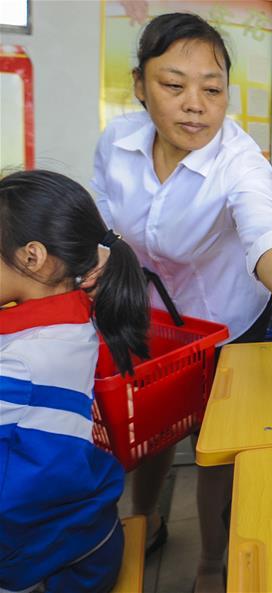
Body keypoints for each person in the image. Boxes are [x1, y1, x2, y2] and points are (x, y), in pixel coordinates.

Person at [91, 13, 272, 592]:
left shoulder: (240, 159)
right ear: (139, 85)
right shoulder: (118, 143)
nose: (195, 105)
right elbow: (105, 219)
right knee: (151, 428)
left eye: (212, 88)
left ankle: (211, 563)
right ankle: (147, 520)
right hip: (150, 320)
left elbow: (266, 230)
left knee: (214, 446)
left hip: (228, 323)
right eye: (173, 85)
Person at [0, 170, 150, 593]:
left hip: (45, 553)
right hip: (79, 525)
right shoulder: (71, 317)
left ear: (32, 257)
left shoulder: (25, 361)